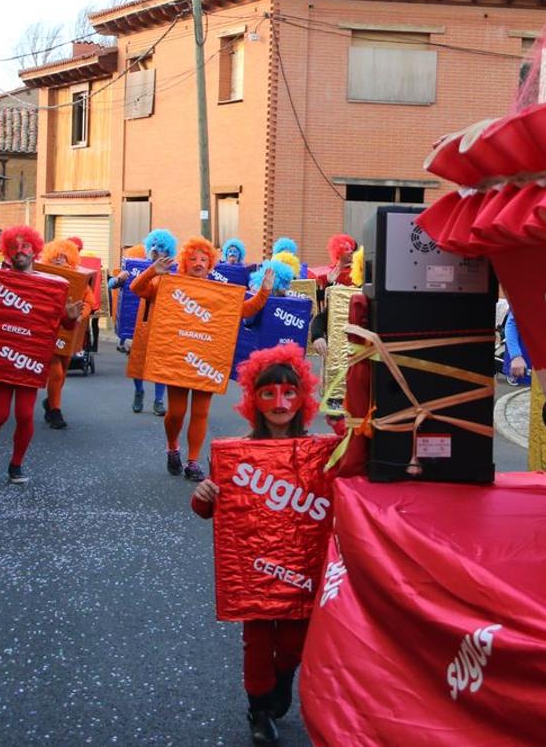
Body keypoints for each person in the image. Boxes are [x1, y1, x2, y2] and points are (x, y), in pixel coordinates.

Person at [191, 343, 323, 744]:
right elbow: (212, 510)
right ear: (255, 400)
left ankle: (281, 680)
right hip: (254, 569)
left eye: (288, 393)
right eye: (269, 393)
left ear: (303, 399)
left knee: (295, 641)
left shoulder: (319, 453)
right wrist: (204, 495)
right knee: (258, 640)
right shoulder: (237, 453)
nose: (280, 402)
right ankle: (259, 709)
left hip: (301, 568)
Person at [0, 225, 83, 484]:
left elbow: (61, 323)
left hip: (28, 361)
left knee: (24, 414)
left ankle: (16, 464)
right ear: (7, 252)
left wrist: (70, 319)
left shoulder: (49, 286)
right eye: (15, 248)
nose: (20, 252)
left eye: (26, 247)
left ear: (35, 250)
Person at [131, 235, 273, 480]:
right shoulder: (169, 285)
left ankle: (193, 461)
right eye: (194, 258)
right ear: (186, 261)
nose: (198, 262)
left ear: (210, 264)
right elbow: (137, 289)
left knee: (200, 413)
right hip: (177, 359)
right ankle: (173, 447)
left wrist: (264, 291)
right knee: (176, 412)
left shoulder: (221, 293)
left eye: (204, 259)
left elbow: (246, 310)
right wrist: (153, 271)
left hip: (206, 361)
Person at [112, 237, 168, 415]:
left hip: (161, 324)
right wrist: (119, 280)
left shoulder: (172, 272)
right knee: (137, 363)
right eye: (152, 245)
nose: (154, 249)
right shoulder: (134, 266)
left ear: (167, 252)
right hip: (136, 323)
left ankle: (159, 401)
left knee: (160, 365)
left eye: (160, 247)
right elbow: (110, 284)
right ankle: (139, 391)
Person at [40, 237, 81, 430]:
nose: (59, 260)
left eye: (63, 257)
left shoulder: (78, 279)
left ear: (71, 260)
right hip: (47, 330)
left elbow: (88, 301)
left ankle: (50, 401)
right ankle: (56, 411)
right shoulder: (42, 276)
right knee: (55, 371)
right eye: (55, 256)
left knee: (62, 372)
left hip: (69, 330)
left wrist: (80, 314)